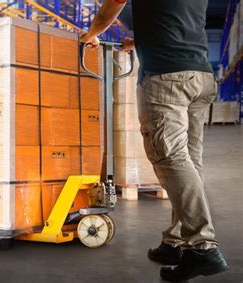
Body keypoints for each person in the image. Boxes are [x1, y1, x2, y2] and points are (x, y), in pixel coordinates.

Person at [81, 0, 229, 281]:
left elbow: (115, 1)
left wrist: (91, 33)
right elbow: (175, 20)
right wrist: (139, 42)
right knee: (188, 163)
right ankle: (175, 243)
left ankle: (202, 247)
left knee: (171, 160)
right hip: (199, 76)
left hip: (167, 78)